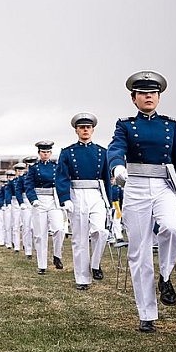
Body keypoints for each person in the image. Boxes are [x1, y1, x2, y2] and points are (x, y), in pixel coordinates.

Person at [108, 71, 176, 333]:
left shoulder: (171, 125)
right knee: (139, 251)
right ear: (134, 99)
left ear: (158, 97)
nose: (148, 97)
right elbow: (116, 147)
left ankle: (165, 277)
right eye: (143, 93)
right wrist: (117, 167)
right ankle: (147, 314)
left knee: (172, 229)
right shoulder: (126, 125)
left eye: (152, 93)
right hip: (136, 187)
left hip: (165, 185)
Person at [56, 113, 111, 290]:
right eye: (82, 127)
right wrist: (65, 198)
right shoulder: (67, 152)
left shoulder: (102, 152)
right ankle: (82, 278)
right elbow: (61, 177)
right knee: (79, 239)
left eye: (88, 127)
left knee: (100, 231)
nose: (85, 130)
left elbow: (106, 179)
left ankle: (95, 264)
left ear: (93, 129)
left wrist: (109, 201)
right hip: (76, 195)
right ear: (76, 130)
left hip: (96, 194)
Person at [25, 142, 66, 274]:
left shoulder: (56, 167)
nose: (45, 154)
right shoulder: (33, 168)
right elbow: (28, 185)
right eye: (43, 152)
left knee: (59, 229)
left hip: (54, 199)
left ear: (51, 153)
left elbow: (62, 182)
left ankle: (57, 255)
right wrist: (33, 199)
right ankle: (42, 265)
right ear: (39, 153)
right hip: (39, 200)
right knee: (40, 234)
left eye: (48, 152)